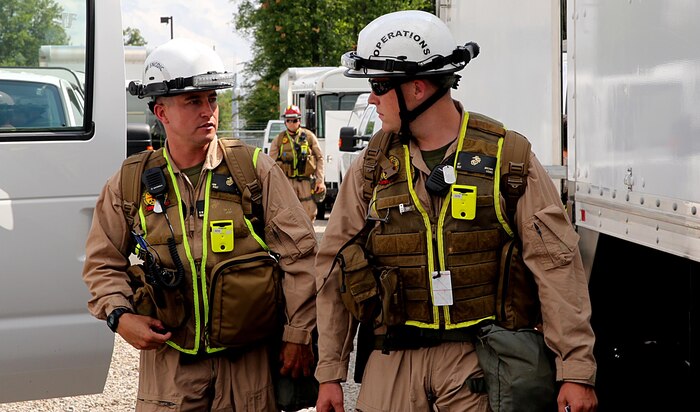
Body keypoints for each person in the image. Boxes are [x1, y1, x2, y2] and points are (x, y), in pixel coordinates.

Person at [314, 10, 598, 412]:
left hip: (479, 364)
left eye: (379, 85)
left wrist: (575, 371)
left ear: (416, 89)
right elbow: (334, 267)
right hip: (393, 363)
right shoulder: (371, 166)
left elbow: (556, 267)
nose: (372, 99)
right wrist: (330, 373)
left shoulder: (508, 158)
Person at [82, 38, 317, 411]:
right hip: (171, 367)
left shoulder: (252, 170)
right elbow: (101, 262)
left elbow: (302, 257)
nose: (208, 110)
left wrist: (298, 333)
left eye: (212, 100)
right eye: (193, 101)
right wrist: (120, 315)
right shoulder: (131, 181)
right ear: (162, 112)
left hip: (248, 366)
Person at [268, 104, 325, 222]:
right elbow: (270, 164)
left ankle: (308, 237)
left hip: (306, 182)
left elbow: (319, 158)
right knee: (287, 213)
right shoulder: (279, 140)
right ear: (285, 122)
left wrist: (320, 181)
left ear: (299, 121)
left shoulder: (309, 137)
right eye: (288, 120)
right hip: (286, 182)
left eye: (294, 120)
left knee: (309, 212)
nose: (291, 123)